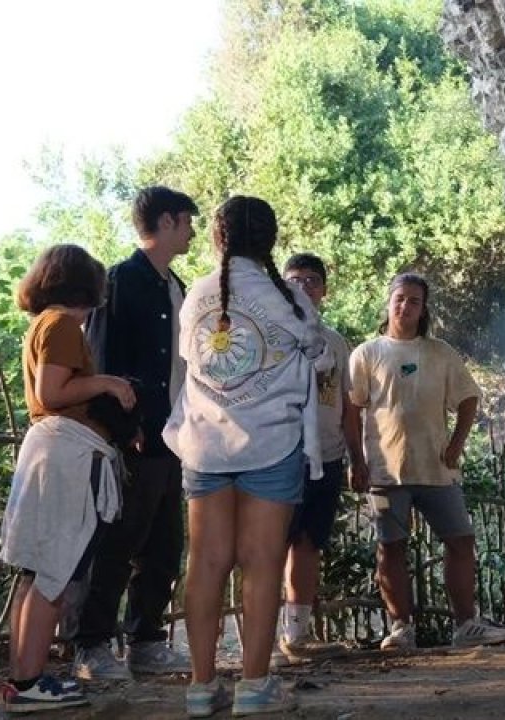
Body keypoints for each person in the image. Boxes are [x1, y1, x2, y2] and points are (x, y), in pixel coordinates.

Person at [164, 195, 327, 717]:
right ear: (270, 241)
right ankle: (255, 685)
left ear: (219, 238)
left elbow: (192, 361)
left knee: (206, 564)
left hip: (206, 446)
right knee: (262, 563)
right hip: (270, 445)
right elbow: (317, 350)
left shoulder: (195, 299)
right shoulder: (292, 300)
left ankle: (200, 685)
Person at [0, 244, 136, 713]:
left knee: (39, 570)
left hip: (52, 448)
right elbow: (52, 391)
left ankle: (22, 677)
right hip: (65, 451)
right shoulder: (59, 324)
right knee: (56, 570)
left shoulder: (45, 324)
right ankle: (31, 679)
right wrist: (108, 384)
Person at [348, 273, 505, 650]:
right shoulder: (367, 353)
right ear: (388, 301)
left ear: (424, 309)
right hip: (384, 470)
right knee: (390, 546)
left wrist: (457, 444)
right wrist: (356, 460)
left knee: (460, 540)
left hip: (436, 468)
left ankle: (465, 624)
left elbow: (469, 398)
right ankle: (401, 628)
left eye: (414, 301)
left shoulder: (440, 353)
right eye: (400, 298)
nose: (405, 306)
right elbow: (352, 409)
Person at [72, 186, 198, 679]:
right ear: (165, 222)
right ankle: (92, 646)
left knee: (165, 544)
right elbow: (101, 360)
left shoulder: (177, 286)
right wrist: (126, 430)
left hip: (173, 435)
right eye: (187, 221)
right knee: (116, 543)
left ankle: (145, 642)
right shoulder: (121, 281)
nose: (191, 231)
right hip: (134, 437)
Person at [275, 253, 367, 660]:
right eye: (294, 280)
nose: (304, 288)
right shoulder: (273, 333)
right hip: (281, 453)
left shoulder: (336, 342)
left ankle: (297, 634)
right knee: (271, 544)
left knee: (309, 542)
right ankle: (262, 638)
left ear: (325, 290)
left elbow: (348, 408)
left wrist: (357, 459)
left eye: (312, 280)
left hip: (327, 454)